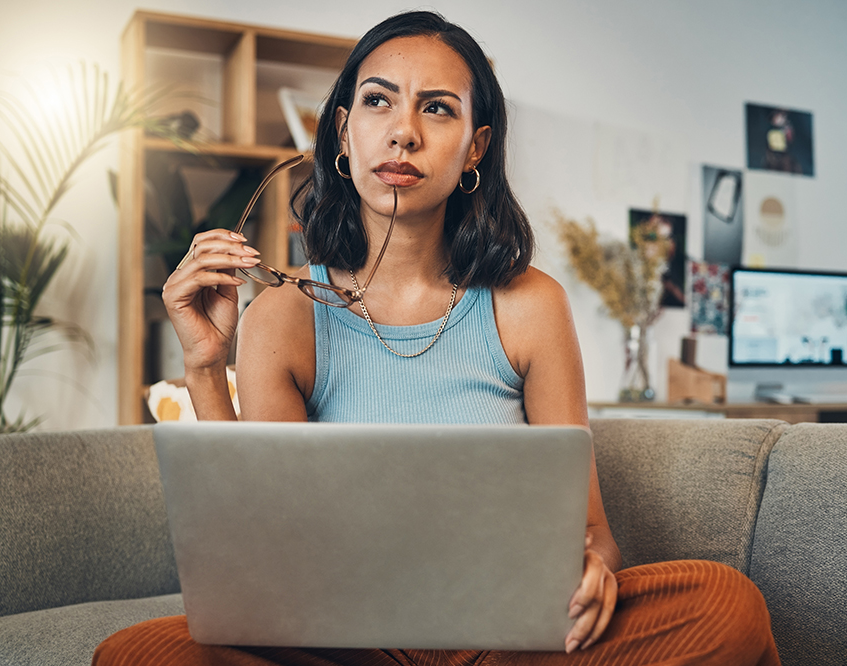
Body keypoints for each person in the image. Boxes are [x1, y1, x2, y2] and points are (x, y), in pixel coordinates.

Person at [94, 11, 780, 666]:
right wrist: (207, 367)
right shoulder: (285, 313)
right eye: (378, 102)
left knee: (728, 607)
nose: (403, 133)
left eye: (438, 108)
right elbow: (256, 551)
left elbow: (593, 532)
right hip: (351, 639)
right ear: (341, 133)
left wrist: (596, 569)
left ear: (475, 146)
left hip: (513, 640)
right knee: (135, 656)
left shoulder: (530, 305)